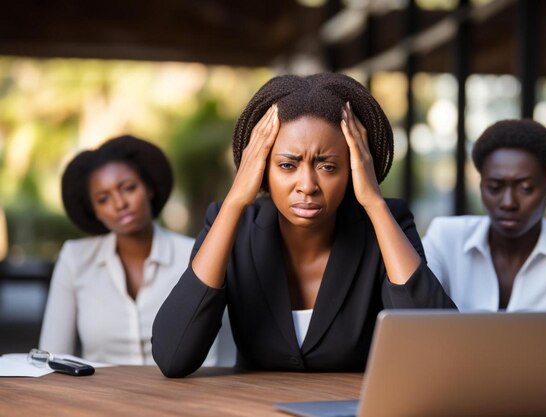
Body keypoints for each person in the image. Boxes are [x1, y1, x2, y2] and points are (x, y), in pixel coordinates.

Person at [152, 73, 456, 377]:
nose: (307, 185)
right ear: (260, 168)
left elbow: (440, 348)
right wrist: (234, 203)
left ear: (353, 169)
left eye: (328, 166)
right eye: (287, 165)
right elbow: (173, 356)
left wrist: (374, 203)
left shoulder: (387, 223)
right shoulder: (233, 225)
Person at [39, 135, 226, 365]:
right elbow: (52, 357)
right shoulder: (75, 259)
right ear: (94, 211)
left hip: (183, 398)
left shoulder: (197, 256)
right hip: (98, 398)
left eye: (128, 188)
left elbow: (208, 357)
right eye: (103, 199)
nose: (119, 204)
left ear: (149, 188)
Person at [422, 119, 546, 313]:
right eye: (494, 187)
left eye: (526, 188)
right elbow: (414, 311)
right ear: (481, 186)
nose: (508, 202)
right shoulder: (445, 237)